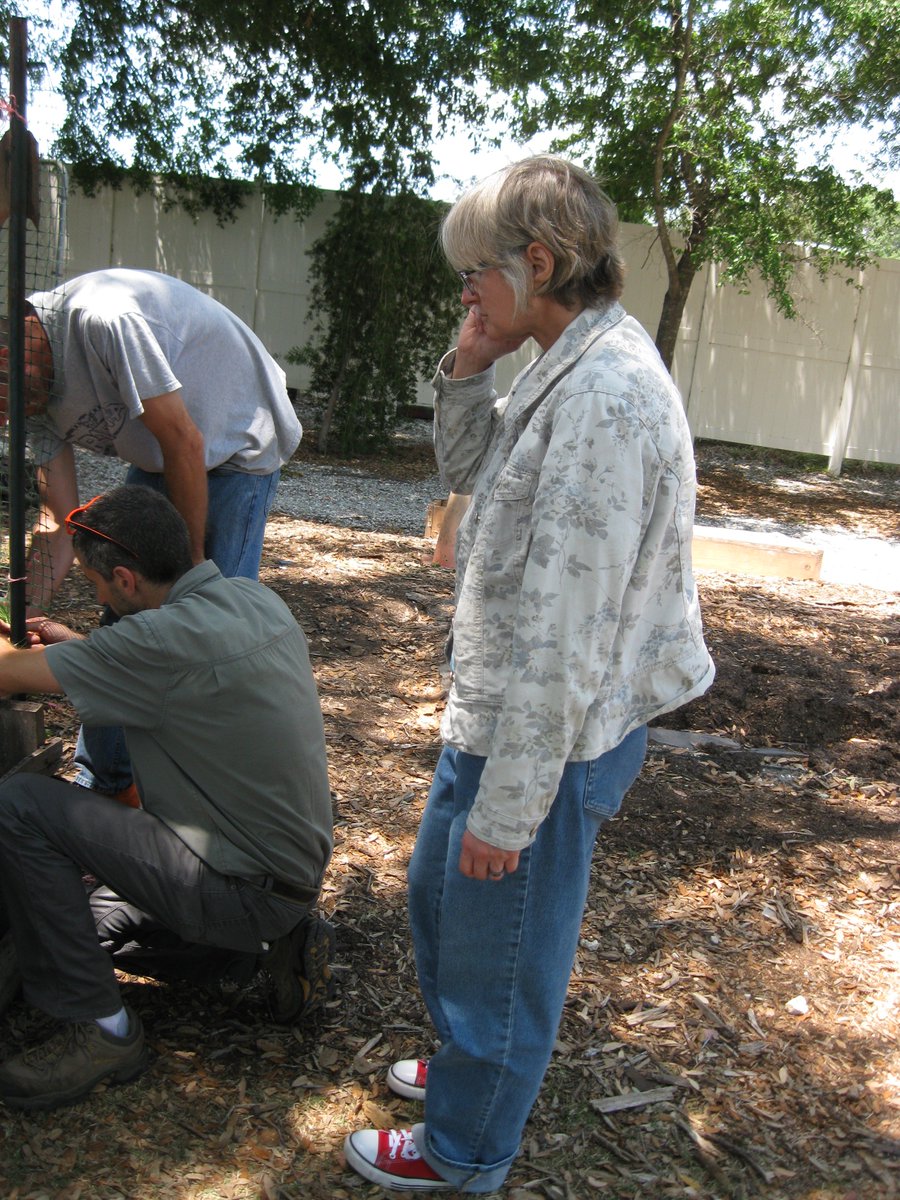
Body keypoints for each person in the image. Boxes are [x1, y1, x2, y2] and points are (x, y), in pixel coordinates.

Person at [343, 155, 715, 1192]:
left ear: (538, 261)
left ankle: (466, 1147)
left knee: (498, 952)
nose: (465, 291)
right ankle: (476, 1063)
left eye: (475, 274)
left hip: (551, 731)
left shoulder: (606, 397)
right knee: (441, 902)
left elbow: (569, 627)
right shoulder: (568, 355)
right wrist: (465, 373)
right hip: (503, 712)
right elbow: (476, 476)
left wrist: (511, 808)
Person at [0, 485, 334, 1112]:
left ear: (125, 578)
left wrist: (19, 649)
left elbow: (7, 673)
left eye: (98, 587)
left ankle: (104, 1032)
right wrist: (75, 647)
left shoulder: (153, 643)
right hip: (283, 874)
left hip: (238, 882)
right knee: (78, 925)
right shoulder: (251, 598)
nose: (97, 599)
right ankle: (254, 957)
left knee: (20, 803)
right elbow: (157, 666)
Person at [6, 267, 303, 796]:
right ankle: (106, 782)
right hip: (161, 453)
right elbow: (60, 521)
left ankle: (200, 799)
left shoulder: (103, 321)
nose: (8, 411)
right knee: (128, 613)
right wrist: (18, 614)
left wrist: (187, 574)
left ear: (13, 349)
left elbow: (186, 442)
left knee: (205, 638)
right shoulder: (23, 394)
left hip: (233, 445)